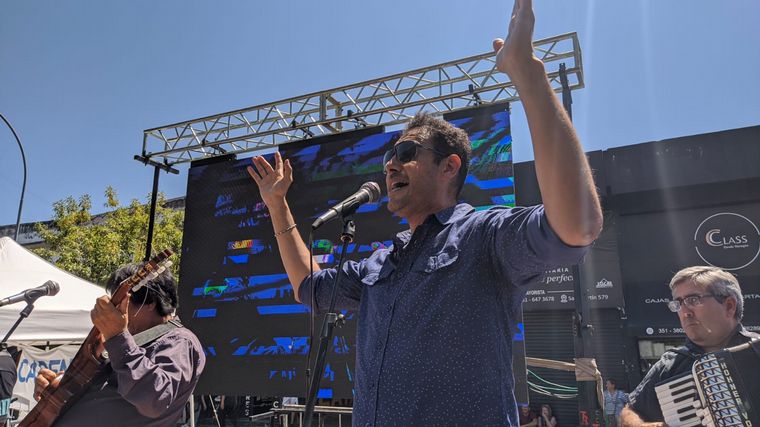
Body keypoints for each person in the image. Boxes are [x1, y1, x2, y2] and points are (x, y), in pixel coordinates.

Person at [246, 0, 602, 423]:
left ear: (449, 166)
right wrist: (277, 204)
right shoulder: (381, 264)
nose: (390, 166)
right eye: (388, 158)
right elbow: (308, 286)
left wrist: (528, 74)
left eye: (406, 153)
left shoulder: (483, 236)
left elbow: (577, 224)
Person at [33, 263, 206, 427]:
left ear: (150, 302)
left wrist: (118, 337)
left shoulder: (180, 341)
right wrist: (57, 389)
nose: (116, 311)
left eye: (120, 303)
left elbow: (156, 398)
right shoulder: (129, 342)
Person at [620, 266, 760, 426]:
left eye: (693, 300)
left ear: (729, 306)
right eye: (678, 303)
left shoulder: (756, 351)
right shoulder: (670, 365)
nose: (685, 312)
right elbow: (630, 411)